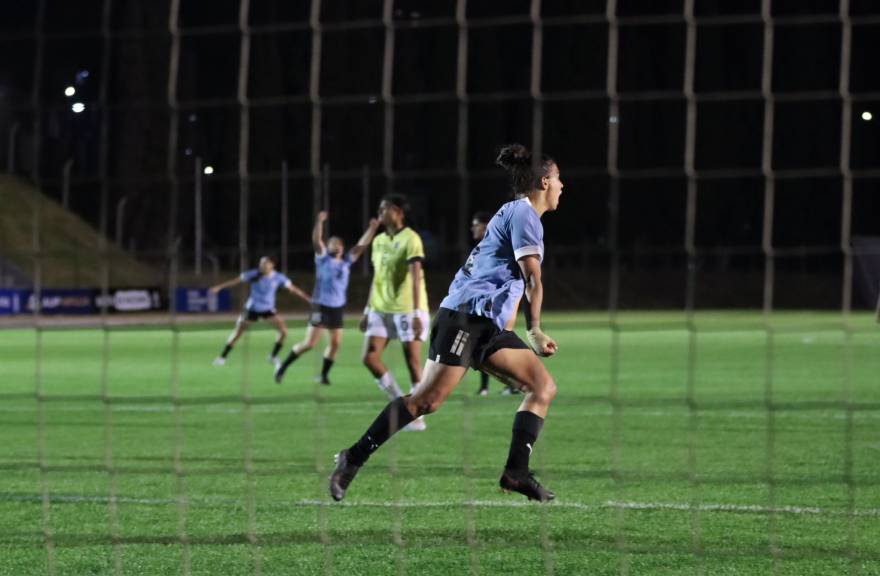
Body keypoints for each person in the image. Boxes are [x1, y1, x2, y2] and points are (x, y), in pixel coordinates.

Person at [329, 143, 563, 502]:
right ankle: (353, 456)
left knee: (542, 387)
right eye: (559, 179)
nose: (563, 186)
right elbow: (533, 279)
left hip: (489, 327)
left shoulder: (517, 214)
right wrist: (534, 330)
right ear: (545, 181)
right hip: (465, 319)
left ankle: (516, 473)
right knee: (425, 402)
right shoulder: (525, 216)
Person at [274, 211, 380, 385]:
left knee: (336, 343)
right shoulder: (322, 259)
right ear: (328, 247)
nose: (336, 246)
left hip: (337, 308)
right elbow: (317, 240)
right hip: (320, 306)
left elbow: (361, 245)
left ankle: (323, 375)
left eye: (339, 244)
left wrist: (372, 229)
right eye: (333, 244)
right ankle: (283, 367)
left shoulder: (346, 261)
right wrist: (319, 222)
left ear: (343, 248)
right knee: (310, 343)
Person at [360, 193, 430, 431]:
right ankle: (401, 405)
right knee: (369, 358)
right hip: (380, 307)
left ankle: (417, 414)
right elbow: (377, 277)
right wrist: (367, 308)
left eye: (384, 208)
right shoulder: (378, 241)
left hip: (406, 308)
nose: (380, 212)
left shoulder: (411, 239)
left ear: (398, 212)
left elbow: (415, 276)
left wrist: (418, 312)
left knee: (412, 361)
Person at [209, 256, 311, 368]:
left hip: (268, 309)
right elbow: (236, 281)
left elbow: (293, 288)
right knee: (237, 333)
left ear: (272, 265)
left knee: (283, 332)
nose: (262, 265)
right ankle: (222, 358)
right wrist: (219, 287)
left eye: (265, 263)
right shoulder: (253, 274)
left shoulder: (278, 277)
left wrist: (307, 298)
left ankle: (272, 356)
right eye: (261, 263)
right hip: (252, 309)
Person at [470, 211, 521, 398]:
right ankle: (512, 384)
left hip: (495, 309)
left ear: (486, 226)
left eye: (476, 224)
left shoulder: (498, 247)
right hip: (482, 308)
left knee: (484, 347)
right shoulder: (481, 249)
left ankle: (516, 383)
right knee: (484, 348)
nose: (473, 228)